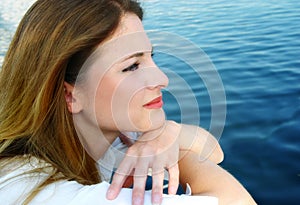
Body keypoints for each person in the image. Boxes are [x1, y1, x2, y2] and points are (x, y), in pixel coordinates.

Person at [0, 0, 256, 204]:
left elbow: (213, 150)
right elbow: (239, 201)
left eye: (150, 57)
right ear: (70, 95)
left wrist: (168, 134)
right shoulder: (35, 192)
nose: (163, 79)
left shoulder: (106, 136)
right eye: (132, 66)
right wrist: (168, 142)